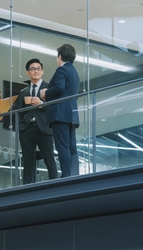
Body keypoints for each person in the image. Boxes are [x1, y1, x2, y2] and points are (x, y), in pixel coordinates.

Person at [40, 44, 80, 178]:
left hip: (60, 114)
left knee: (62, 146)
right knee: (71, 147)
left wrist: (46, 93)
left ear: (60, 56)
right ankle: (74, 174)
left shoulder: (61, 70)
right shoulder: (74, 72)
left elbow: (59, 87)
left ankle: (67, 176)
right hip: (72, 114)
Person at [17, 58, 58, 184]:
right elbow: (19, 111)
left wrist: (41, 103)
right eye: (32, 69)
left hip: (44, 128)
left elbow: (55, 107)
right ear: (27, 72)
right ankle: (26, 190)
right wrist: (20, 126)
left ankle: (55, 186)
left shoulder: (49, 88)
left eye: (38, 68)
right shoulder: (23, 92)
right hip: (27, 129)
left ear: (42, 71)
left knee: (49, 159)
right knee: (27, 162)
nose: (36, 71)